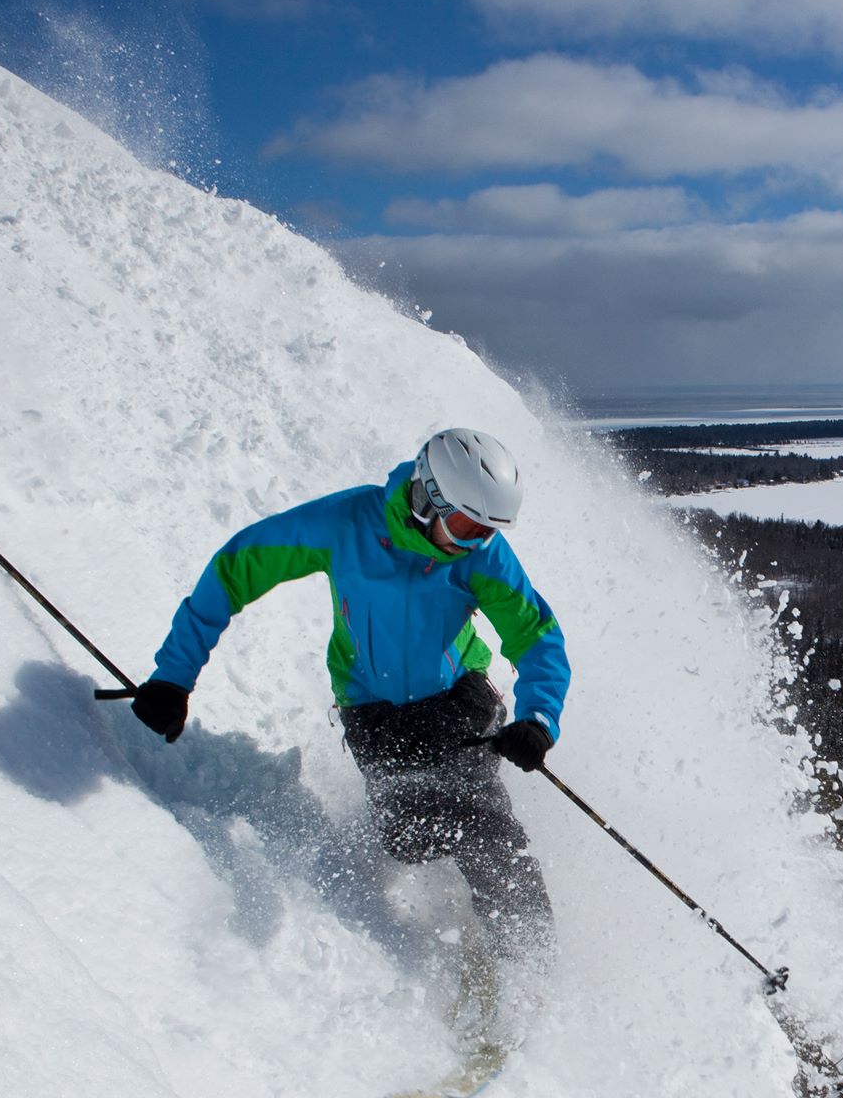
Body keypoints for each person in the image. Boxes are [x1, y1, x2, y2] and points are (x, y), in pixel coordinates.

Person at [130, 428, 569, 1033]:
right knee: (409, 836)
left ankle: (529, 971)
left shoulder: (480, 557)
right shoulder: (348, 525)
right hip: (374, 712)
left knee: (483, 825)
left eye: (489, 530)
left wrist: (538, 719)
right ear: (428, 498)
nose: (477, 542)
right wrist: (173, 677)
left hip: (458, 700)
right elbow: (237, 567)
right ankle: (469, 905)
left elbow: (536, 636)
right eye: (467, 526)